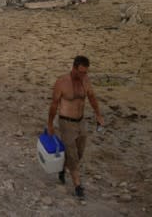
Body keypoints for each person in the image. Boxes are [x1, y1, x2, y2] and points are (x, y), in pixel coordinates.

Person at [47, 55, 104, 199]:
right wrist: (50, 124)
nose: (84, 75)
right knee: (72, 155)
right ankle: (78, 187)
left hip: (81, 122)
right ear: (74, 68)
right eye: (81, 72)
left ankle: (62, 168)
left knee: (78, 154)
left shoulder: (85, 80)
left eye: (86, 72)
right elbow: (54, 105)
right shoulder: (62, 82)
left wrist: (98, 115)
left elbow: (91, 97)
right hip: (66, 122)